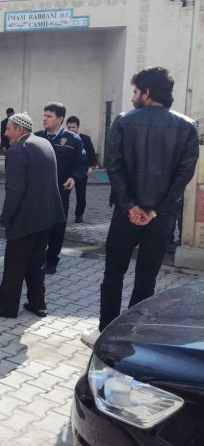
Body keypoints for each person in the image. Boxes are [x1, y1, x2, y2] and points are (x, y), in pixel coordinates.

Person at [81, 66, 199, 347]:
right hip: (162, 218)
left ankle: (105, 332)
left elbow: (114, 166)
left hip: (126, 216)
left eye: (135, 92)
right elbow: (184, 175)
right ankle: (133, 335)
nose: (133, 97)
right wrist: (156, 210)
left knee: (113, 274)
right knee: (147, 280)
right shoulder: (187, 126)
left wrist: (130, 206)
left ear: (146, 92)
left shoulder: (124, 121)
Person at [0, 113, 64, 318]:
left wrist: (6, 217)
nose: (5, 133)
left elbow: (14, 190)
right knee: (37, 263)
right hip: (46, 217)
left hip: (24, 219)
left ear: (20, 130)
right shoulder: (44, 143)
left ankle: (7, 306)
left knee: (14, 265)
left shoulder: (18, 150)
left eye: (8, 129)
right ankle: (38, 304)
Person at [34, 102, 88, 275]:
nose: (44, 119)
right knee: (39, 225)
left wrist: (74, 178)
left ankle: (52, 260)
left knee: (57, 227)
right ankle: (38, 258)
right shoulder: (36, 138)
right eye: (44, 115)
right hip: (39, 192)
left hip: (60, 191)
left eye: (49, 116)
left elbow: (81, 165)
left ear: (60, 119)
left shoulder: (73, 140)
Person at [66, 116, 97, 223]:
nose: (71, 129)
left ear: (78, 127)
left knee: (80, 194)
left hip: (81, 170)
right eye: (69, 127)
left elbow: (91, 154)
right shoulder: (64, 138)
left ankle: (79, 215)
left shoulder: (85, 139)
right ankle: (63, 215)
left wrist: (91, 166)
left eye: (73, 127)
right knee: (65, 194)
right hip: (67, 171)